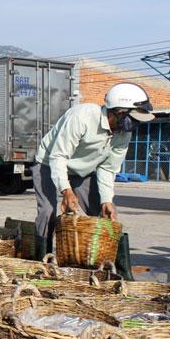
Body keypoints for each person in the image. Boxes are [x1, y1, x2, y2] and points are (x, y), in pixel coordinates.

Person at [33, 82, 154, 259]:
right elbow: (58, 157)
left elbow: (107, 168)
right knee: (48, 212)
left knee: (103, 212)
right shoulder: (82, 116)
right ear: (119, 112)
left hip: (82, 170)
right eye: (133, 120)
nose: (135, 126)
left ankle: (106, 262)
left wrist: (107, 200)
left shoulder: (123, 134)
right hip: (48, 162)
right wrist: (66, 191)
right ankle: (41, 259)